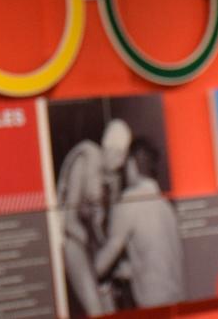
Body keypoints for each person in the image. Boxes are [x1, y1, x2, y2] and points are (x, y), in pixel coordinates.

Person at [94, 138, 184, 308]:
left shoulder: (130, 200)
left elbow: (101, 264)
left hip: (154, 306)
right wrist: (131, 269)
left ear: (131, 164)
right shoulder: (166, 206)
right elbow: (159, 258)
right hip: (179, 301)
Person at [57, 119, 132, 316]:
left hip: (93, 247)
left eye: (123, 156)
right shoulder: (86, 158)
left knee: (112, 308)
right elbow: (68, 221)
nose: (121, 162)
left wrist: (114, 262)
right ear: (108, 148)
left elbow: (108, 232)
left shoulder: (114, 179)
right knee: (97, 310)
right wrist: (94, 257)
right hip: (73, 240)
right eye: (118, 154)